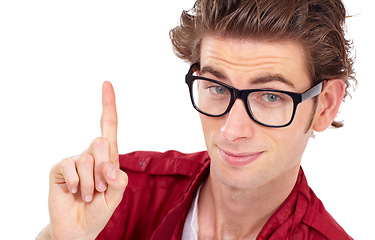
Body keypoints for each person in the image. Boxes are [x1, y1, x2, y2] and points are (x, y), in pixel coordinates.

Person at [37, 0, 356, 239]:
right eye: (217, 87)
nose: (232, 131)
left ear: (325, 105)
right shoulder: (120, 191)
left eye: (270, 96)